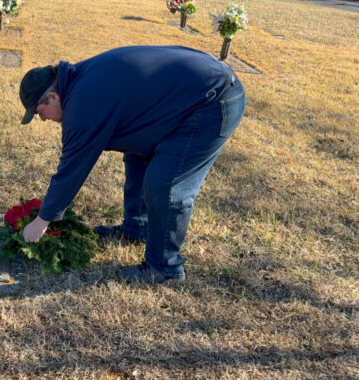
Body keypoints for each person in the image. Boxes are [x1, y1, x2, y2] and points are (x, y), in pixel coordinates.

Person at [18, 45, 246, 284]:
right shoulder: (79, 81)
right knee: (136, 155)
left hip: (212, 101)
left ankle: (166, 268)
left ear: (53, 97)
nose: (43, 119)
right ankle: (138, 228)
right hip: (191, 93)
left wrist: (43, 220)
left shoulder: (82, 104)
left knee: (164, 184)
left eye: (40, 112)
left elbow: (72, 169)